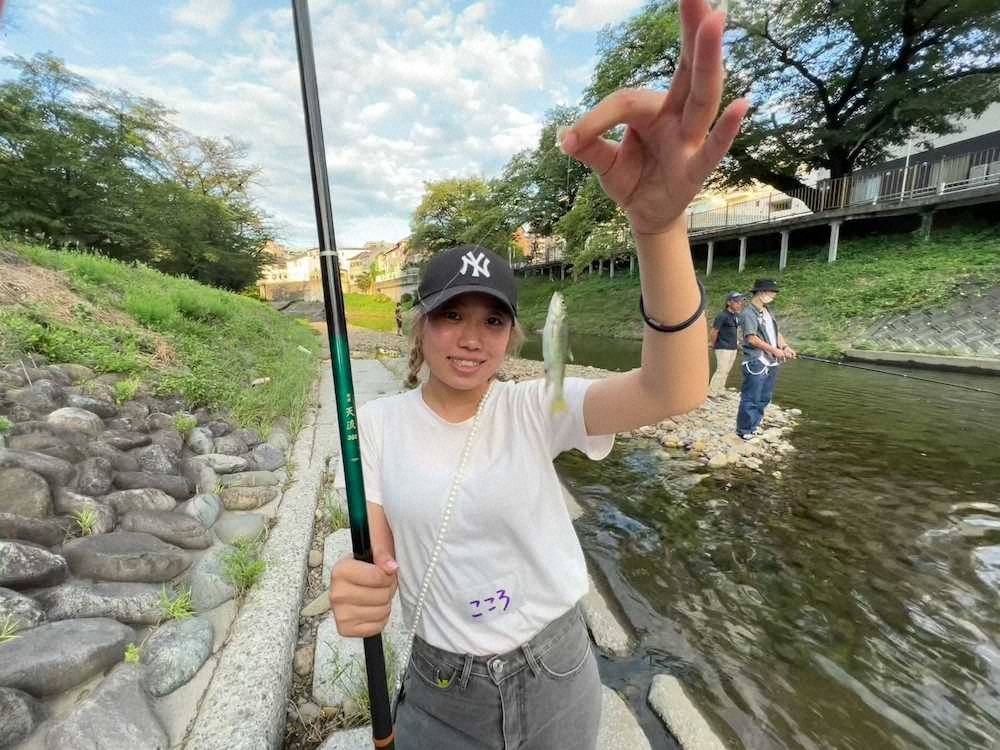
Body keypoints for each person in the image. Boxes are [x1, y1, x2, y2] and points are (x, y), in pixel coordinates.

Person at [328, 2, 749, 747]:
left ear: (517, 336)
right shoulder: (376, 429)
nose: (471, 339)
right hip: (441, 685)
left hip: (559, 671)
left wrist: (658, 228)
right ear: (418, 327)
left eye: (492, 321)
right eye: (450, 315)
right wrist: (360, 584)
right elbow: (377, 549)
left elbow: (675, 389)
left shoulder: (535, 407)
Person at [736, 278, 796, 439]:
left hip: (771, 361)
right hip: (756, 361)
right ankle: (744, 431)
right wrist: (774, 350)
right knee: (751, 397)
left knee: (764, 397)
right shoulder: (748, 313)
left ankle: (754, 426)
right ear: (761, 292)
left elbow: (776, 333)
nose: (774, 295)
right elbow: (751, 339)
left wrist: (785, 347)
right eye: (772, 292)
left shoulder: (767, 311)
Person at [708, 291, 744, 397]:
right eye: (737, 301)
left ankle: (720, 390)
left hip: (732, 347)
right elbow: (714, 331)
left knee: (727, 370)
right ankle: (712, 392)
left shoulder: (735, 316)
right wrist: (713, 344)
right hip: (722, 347)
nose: (739, 303)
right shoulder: (722, 316)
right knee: (721, 370)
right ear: (729, 302)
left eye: (740, 301)